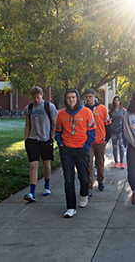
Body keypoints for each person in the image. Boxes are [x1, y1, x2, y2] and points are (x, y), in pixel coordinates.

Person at [55, 88, 95, 218]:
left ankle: (84, 194)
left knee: (84, 177)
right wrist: (61, 144)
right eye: (68, 98)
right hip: (66, 149)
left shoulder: (86, 112)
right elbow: (58, 132)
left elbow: (92, 132)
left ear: (77, 98)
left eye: (73, 97)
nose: (71, 100)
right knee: (68, 179)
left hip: (81, 149)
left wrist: (86, 146)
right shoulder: (61, 114)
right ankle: (71, 207)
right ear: (65, 100)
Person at [23, 86, 58, 202]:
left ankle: (47, 186)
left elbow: (55, 123)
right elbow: (27, 124)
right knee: (33, 165)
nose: (36, 100)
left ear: (42, 95)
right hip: (33, 140)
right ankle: (32, 191)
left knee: (46, 163)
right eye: (34, 98)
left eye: (38, 97)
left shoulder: (49, 106)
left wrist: (52, 137)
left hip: (46, 139)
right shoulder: (29, 108)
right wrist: (26, 139)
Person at [83, 88, 111, 195]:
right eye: (86, 97)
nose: (88, 99)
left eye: (90, 96)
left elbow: (108, 125)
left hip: (100, 141)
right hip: (88, 142)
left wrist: (106, 140)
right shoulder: (83, 109)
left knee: (100, 163)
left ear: (95, 97)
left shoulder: (102, 108)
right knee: (88, 165)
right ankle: (89, 187)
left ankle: (100, 181)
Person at [109, 95, 126, 169]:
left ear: (120, 102)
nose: (117, 102)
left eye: (118, 100)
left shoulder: (123, 110)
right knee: (115, 146)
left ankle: (122, 162)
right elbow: (108, 121)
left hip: (121, 131)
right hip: (113, 131)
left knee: (121, 146)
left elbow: (126, 121)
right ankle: (116, 161)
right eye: (115, 100)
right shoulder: (111, 111)